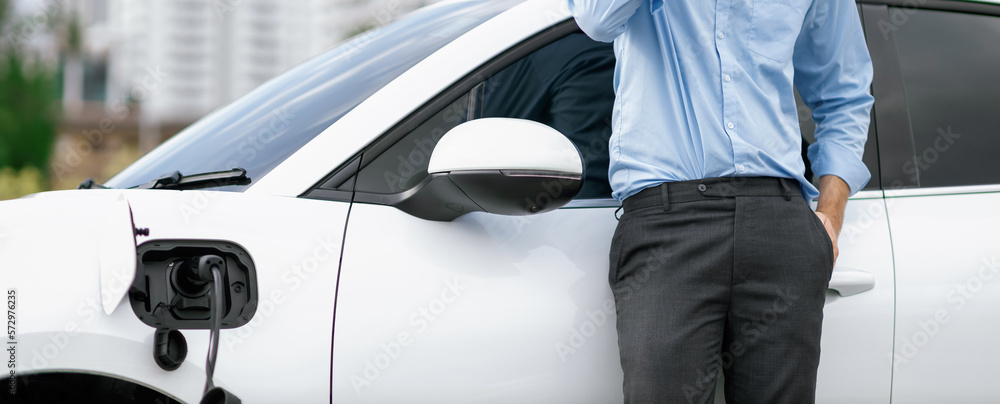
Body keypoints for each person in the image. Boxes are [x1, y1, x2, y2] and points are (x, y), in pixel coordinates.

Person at [569, 0, 874, 403]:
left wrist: (830, 214)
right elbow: (597, 18)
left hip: (781, 222)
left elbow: (845, 94)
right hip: (668, 226)